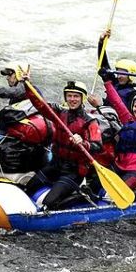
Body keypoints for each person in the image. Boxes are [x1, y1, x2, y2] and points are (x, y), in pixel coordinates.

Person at [27, 81, 103, 210]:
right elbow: (40, 104)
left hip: (73, 172)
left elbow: (97, 146)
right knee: (29, 188)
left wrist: (83, 143)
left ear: (82, 98)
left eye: (76, 96)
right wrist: (27, 84)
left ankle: (80, 195)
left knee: (48, 203)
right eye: (69, 96)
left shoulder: (89, 121)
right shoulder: (59, 113)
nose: (72, 99)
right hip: (55, 165)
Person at [94, 31, 136, 107]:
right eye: (118, 73)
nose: (119, 76)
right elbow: (104, 64)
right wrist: (101, 42)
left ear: (131, 75)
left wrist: (99, 106)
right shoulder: (115, 83)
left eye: (123, 73)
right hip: (106, 113)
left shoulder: (134, 95)